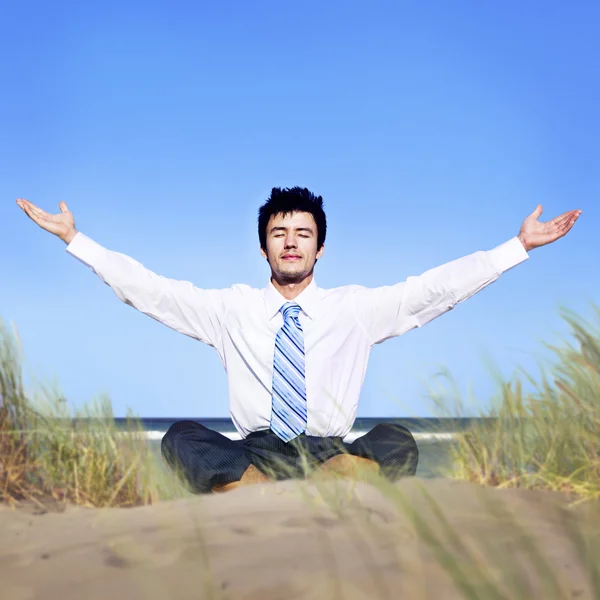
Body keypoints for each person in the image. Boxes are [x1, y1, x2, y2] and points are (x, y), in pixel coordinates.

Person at [16, 189, 581, 493]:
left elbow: (433, 291)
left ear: (320, 250)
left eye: (303, 234)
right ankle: (254, 485)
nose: (291, 243)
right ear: (263, 249)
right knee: (181, 438)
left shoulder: (355, 309)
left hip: (328, 448)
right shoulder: (229, 309)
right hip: (254, 448)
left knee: (396, 439)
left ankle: (318, 481)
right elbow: (151, 291)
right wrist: (77, 241)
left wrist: (517, 247)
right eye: (279, 234)